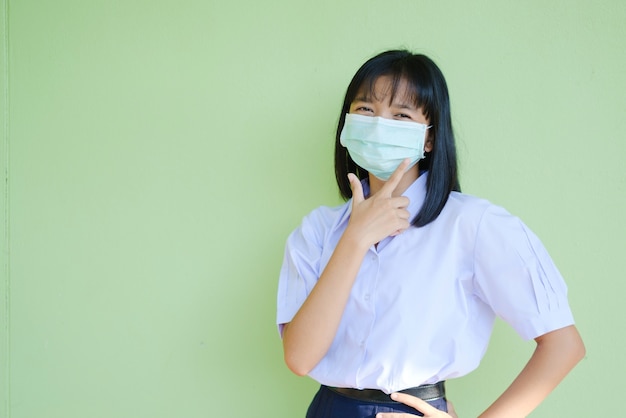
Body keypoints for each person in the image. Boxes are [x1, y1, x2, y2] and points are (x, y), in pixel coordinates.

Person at [276, 49, 585, 418]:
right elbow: (298, 357)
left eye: (401, 115)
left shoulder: (472, 224)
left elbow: (564, 345)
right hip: (329, 408)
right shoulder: (319, 229)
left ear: (429, 138)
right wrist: (356, 238)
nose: (378, 124)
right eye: (365, 110)